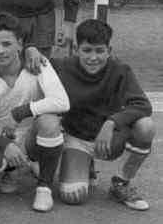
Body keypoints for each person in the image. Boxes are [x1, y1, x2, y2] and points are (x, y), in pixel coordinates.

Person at [0, 12, 70, 212]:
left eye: (7, 44)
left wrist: (20, 112)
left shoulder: (38, 64)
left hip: (34, 137)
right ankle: (12, 169)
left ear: (20, 44)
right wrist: (4, 144)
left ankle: (44, 187)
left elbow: (62, 102)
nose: (1, 50)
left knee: (49, 121)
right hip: (6, 137)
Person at [52, 19, 155, 211]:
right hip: (77, 138)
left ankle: (121, 183)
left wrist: (111, 122)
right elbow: (28, 63)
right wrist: (31, 49)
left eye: (100, 51)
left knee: (146, 126)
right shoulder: (62, 67)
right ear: (76, 49)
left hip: (109, 140)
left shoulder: (121, 70)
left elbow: (143, 105)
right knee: (72, 195)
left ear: (109, 50)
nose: (93, 57)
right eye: (87, 50)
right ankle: (85, 164)